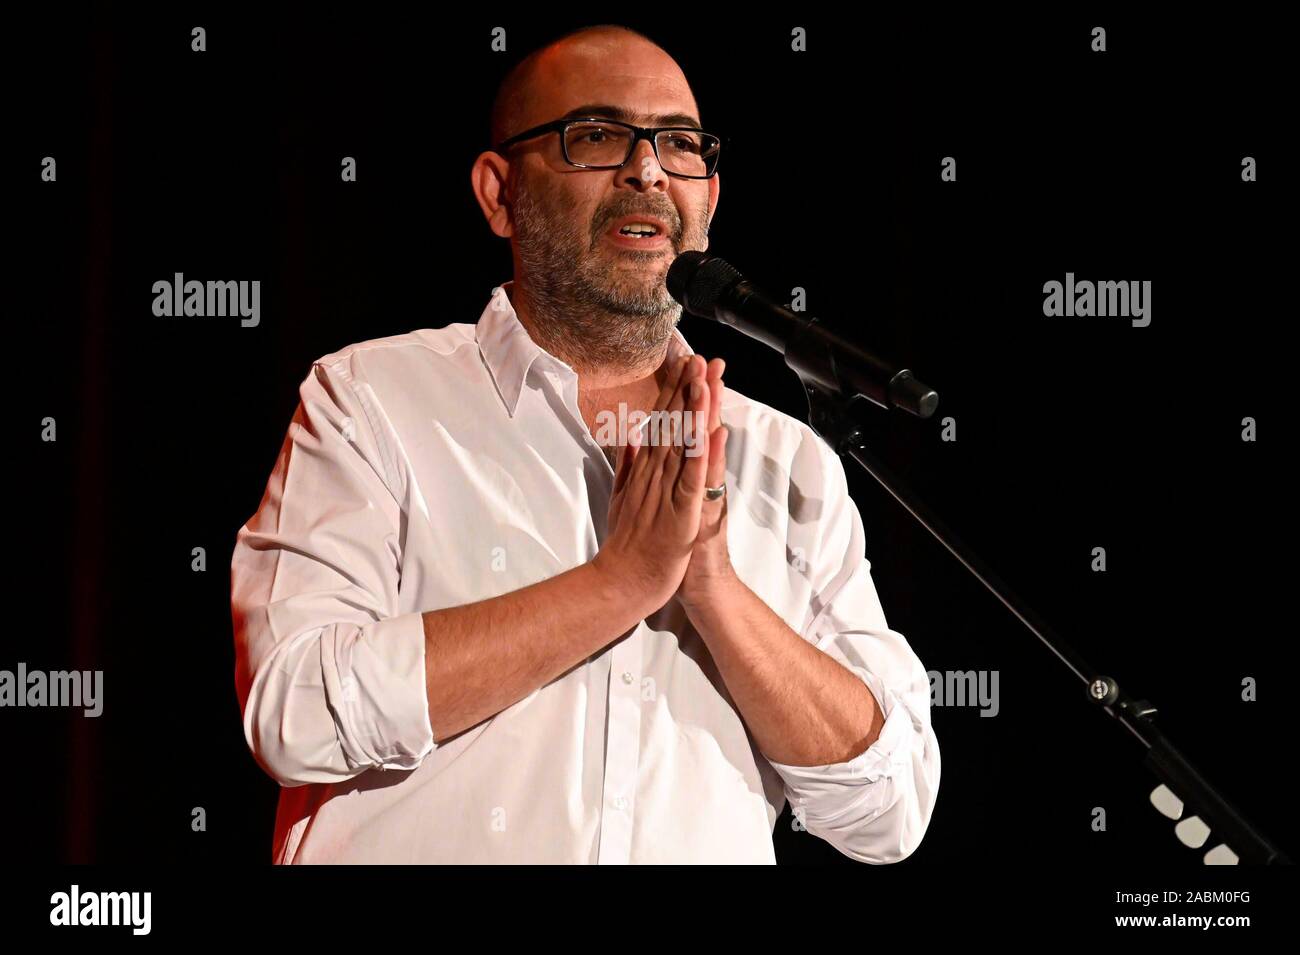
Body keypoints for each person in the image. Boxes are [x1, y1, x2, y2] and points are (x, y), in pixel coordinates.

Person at [230, 23, 940, 864]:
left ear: (708, 197)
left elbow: (888, 812)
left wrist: (714, 590)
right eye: (597, 136)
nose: (647, 170)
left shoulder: (783, 458)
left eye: (680, 144)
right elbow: (293, 709)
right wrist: (620, 582)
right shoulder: (372, 400)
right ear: (499, 193)